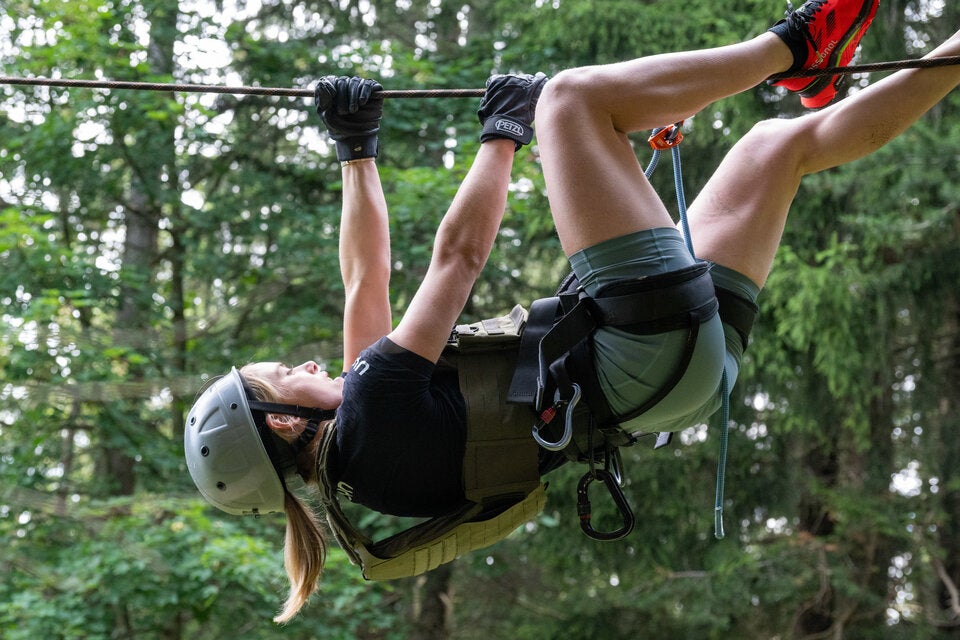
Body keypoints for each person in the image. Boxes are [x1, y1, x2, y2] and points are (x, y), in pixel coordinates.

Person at [186, 0, 960, 622]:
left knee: (774, 148)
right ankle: (796, 43)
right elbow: (455, 260)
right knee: (571, 100)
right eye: (285, 374)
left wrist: (357, 149)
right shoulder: (372, 415)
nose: (307, 363)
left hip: (672, 380)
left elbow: (366, 282)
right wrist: (505, 134)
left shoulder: (363, 460)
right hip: (640, 350)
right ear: (283, 422)